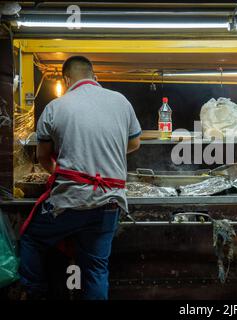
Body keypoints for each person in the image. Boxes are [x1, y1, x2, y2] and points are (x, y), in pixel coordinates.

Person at [19, 56, 141, 300]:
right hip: (110, 202)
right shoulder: (121, 101)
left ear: (66, 80)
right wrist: (105, 155)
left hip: (69, 202)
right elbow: (134, 143)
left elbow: (43, 156)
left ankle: (36, 294)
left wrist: (64, 165)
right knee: (96, 269)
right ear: (94, 76)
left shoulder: (56, 106)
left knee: (30, 238)